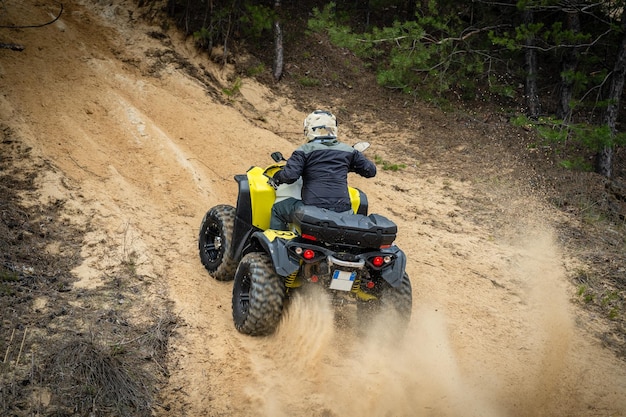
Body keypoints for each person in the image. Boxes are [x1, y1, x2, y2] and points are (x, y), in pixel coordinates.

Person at [269, 110, 376, 230]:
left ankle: (277, 242)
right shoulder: (349, 151)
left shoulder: (303, 151)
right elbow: (371, 171)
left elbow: (290, 176)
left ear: (309, 128)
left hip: (312, 210)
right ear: (334, 129)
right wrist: (349, 166)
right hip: (344, 211)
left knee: (277, 210)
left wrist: (278, 176)